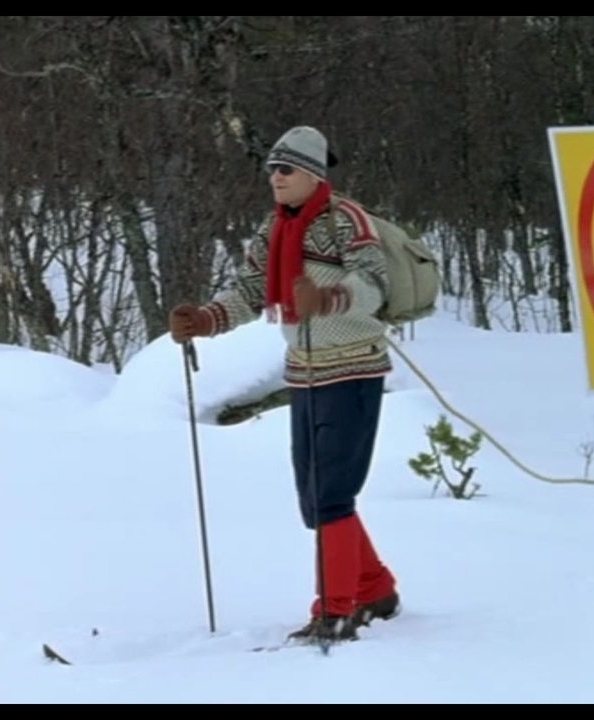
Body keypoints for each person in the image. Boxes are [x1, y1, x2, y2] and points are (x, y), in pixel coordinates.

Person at [168, 126, 400, 642]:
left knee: (332, 494)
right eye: (271, 169)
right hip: (306, 370)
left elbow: (372, 282)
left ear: (312, 174)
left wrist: (329, 298)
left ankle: (336, 609)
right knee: (314, 497)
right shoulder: (273, 230)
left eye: (285, 169)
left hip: (355, 367)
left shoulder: (346, 221)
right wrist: (205, 320)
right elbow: (252, 290)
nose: (275, 178)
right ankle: (376, 587)